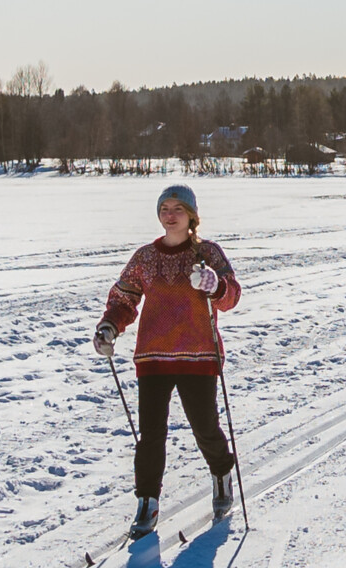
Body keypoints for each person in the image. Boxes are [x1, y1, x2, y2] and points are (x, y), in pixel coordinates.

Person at [93, 182, 241, 541]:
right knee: (151, 435)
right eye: (164, 209)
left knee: (204, 427)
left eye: (177, 209)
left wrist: (215, 286)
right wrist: (110, 325)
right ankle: (147, 502)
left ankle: (222, 474)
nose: (170, 215)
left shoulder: (208, 254)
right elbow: (124, 298)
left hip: (198, 354)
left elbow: (231, 296)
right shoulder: (145, 257)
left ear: (192, 216)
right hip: (153, 356)